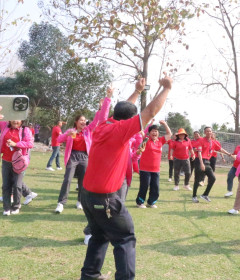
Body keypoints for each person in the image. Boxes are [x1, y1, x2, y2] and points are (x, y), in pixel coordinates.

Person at [79, 75, 172, 280]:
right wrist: (167, 88)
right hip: (104, 198)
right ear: (128, 121)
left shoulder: (104, 125)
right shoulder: (120, 131)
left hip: (88, 196)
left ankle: (90, 275)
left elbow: (123, 110)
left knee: (100, 235)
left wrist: (138, 91)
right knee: (125, 237)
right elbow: (150, 112)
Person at [54, 90, 113, 214]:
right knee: (68, 179)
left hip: (85, 157)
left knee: (83, 181)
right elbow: (58, 139)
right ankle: (61, 203)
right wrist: (67, 135)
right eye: (81, 120)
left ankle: (80, 201)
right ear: (76, 122)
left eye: (84, 120)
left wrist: (100, 108)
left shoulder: (88, 130)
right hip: (73, 156)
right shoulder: (71, 131)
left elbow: (97, 120)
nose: (83, 122)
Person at [192, 126, 234, 203]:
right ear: (204, 132)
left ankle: (205, 195)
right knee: (197, 180)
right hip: (200, 161)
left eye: (210, 131)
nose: (209, 132)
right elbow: (199, 153)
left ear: (212, 132)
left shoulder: (213, 142)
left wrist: (229, 154)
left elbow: (220, 149)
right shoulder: (201, 140)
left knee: (213, 178)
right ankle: (194, 196)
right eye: (207, 131)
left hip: (207, 162)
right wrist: (201, 164)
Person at [135, 120, 171, 208]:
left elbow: (169, 134)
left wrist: (165, 124)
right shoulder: (146, 139)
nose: (154, 132)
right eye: (153, 131)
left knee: (155, 187)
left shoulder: (160, 141)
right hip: (145, 169)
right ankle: (140, 202)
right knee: (144, 186)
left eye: (156, 131)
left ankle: (151, 202)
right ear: (149, 132)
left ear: (158, 133)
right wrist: (148, 122)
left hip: (156, 170)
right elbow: (141, 131)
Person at [0, 119, 34, 215]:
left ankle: (16, 206)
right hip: (6, 160)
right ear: (9, 120)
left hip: (19, 162)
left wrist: (16, 144)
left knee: (17, 185)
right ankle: (6, 208)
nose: (15, 121)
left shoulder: (25, 130)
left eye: (18, 119)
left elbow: (30, 144)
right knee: (6, 185)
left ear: (22, 120)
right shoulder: (4, 126)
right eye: (13, 119)